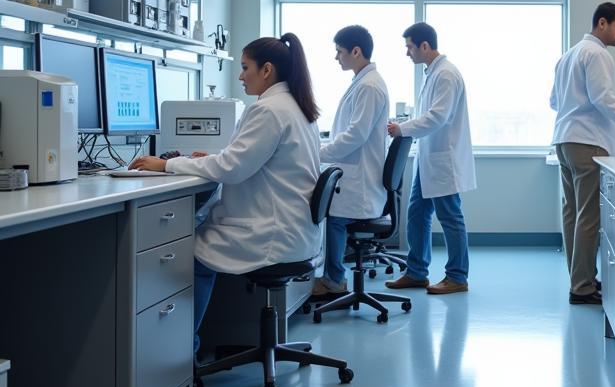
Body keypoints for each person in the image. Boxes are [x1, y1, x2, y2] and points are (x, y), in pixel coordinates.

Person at [130, 34, 321, 356]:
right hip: (293, 230)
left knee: (186, 256)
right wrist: (206, 160)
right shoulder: (296, 107)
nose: (240, 75)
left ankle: (180, 353)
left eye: (245, 67)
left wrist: (167, 165)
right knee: (196, 239)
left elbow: (233, 168)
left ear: (267, 70)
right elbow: (248, 159)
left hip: (271, 233)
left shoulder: (270, 110)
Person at [550, 2, 615, 305]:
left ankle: (580, 279)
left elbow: (554, 101)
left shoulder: (568, 55)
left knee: (573, 215)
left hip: (564, 140)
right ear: (602, 23)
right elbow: (605, 99)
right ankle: (581, 287)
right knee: (589, 217)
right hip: (588, 142)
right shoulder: (598, 54)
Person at [384, 22, 475, 296]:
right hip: (430, 158)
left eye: (409, 47)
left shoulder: (446, 74)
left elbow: (438, 117)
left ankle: (457, 276)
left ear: (425, 46)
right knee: (417, 214)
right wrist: (406, 125)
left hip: (443, 159)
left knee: (450, 216)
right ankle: (416, 272)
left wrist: (403, 128)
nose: (407, 53)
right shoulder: (433, 72)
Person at [312, 25, 390, 298]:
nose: (337, 58)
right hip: (358, 176)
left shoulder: (369, 86)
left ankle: (334, 281)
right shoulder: (364, 82)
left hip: (361, 185)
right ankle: (332, 276)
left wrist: (318, 153)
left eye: (340, 52)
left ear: (356, 51)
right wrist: (320, 146)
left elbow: (355, 135)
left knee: (331, 217)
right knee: (328, 210)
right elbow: (349, 132)